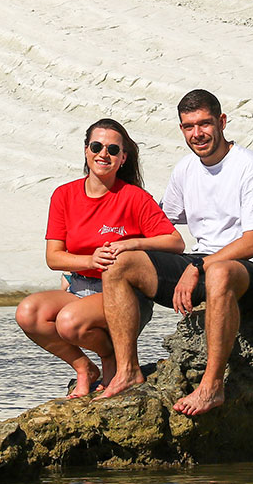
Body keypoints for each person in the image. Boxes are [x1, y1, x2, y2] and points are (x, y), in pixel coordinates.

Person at [101, 90, 253, 415]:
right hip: (201, 263)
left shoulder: (251, 167)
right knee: (121, 264)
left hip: (252, 271)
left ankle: (212, 387)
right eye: (188, 126)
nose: (197, 133)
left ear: (221, 122)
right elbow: (159, 219)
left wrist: (198, 266)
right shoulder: (186, 169)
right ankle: (127, 371)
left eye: (204, 124)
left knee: (220, 271)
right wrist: (113, 239)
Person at [14, 118, 185, 397]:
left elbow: (175, 242)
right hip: (81, 287)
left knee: (68, 321)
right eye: (97, 146)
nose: (103, 154)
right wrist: (90, 261)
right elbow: (54, 257)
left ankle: (113, 360)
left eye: (113, 150)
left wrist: (133, 244)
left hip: (123, 296)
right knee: (28, 313)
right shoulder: (64, 195)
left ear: (123, 158)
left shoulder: (135, 197)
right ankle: (85, 369)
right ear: (86, 151)